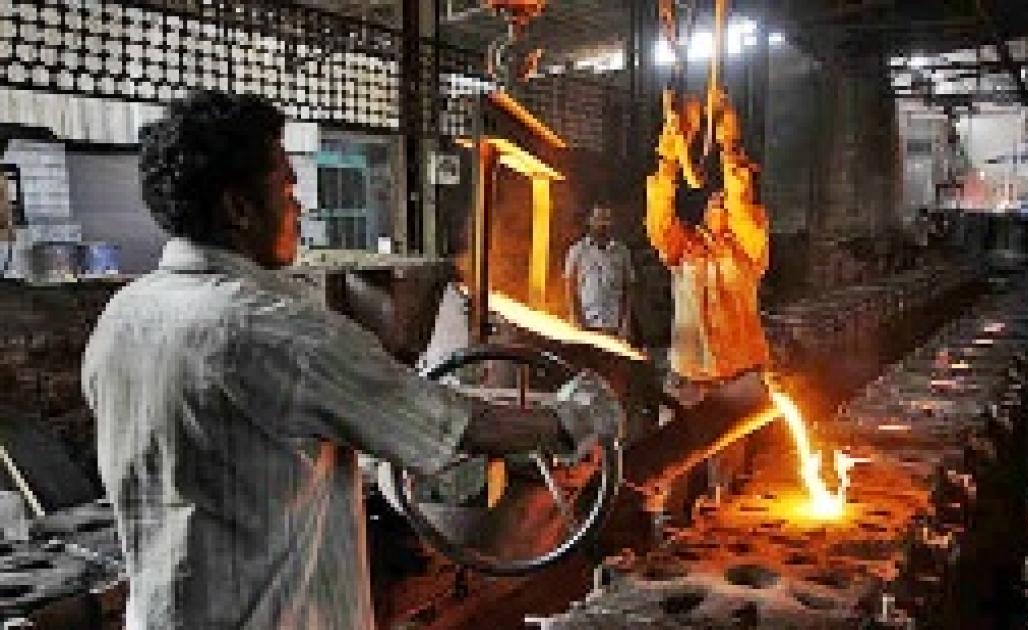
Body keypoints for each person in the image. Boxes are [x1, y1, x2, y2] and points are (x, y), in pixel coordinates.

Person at [81, 91, 615, 630]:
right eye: (286, 188)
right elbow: (454, 425)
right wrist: (569, 419)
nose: (299, 207)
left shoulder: (120, 319)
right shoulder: (279, 330)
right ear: (239, 208)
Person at [646, 89, 770, 394]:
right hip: (690, 381)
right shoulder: (683, 248)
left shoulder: (748, 247)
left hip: (741, 380)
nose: (719, 199)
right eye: (715, 197)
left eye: (724, 197)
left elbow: (740, 202)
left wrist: (728, 143)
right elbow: (658, 220)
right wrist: (669, 158)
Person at [565, 205, 635, 339]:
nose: (603, 224)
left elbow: (628, 289)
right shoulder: (577, 251)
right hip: (586, 323)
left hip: (613, 325)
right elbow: (570, 287)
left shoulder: (622, 252)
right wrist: (574, 317)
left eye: (606, 219)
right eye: (598, 219)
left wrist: (626, 322)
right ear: (590, 221)